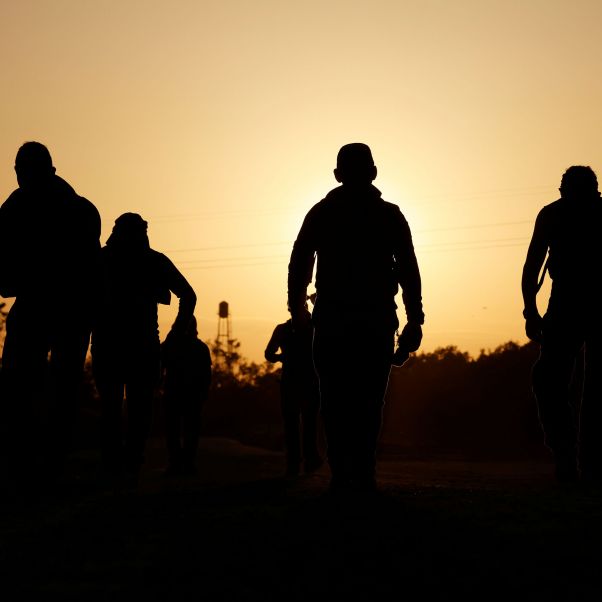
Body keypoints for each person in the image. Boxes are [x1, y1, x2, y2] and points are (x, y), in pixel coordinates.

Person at [288, 143, 424, 492]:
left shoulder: (321, 213)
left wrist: (297, 308)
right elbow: (409, 270)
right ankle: (361, 469)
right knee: (367, 399)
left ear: (337, 175)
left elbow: (300, 262)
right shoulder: (389, 214)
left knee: (335, 398)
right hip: (373, 319)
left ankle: (344, 470)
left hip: (335, 318)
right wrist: (414, 317)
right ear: (374, 172)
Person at [0, 141, 101, 485]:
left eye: (23, 169)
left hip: (61, 310)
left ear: (44, 169)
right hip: (53, 310)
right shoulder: (76, 207)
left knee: (45, 388)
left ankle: (41, 466)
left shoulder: (70, 208)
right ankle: (32, 465)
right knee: (28, 387)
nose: (19, 176)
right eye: (17, 170)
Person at [92, 213, 196, 485]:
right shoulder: (152, 261)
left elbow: (189, 295)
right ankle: (126, 467)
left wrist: (175, 334)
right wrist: (175, 334)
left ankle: (118, 467)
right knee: (134, 410)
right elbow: (189, 295)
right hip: (136, 346)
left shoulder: (102, 260)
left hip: (115, 345)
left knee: (116, 409)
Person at [522, 165, 602, 483]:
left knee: (549, 380)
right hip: (567, 304)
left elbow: (532, 267)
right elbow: (532, 267)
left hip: (568, 304)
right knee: (555, 381)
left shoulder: (553, 213)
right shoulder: (555, 214)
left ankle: (571, 456)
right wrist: (531, 311)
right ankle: (577, 458)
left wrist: (530, 311)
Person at [265, 303, 322, 477]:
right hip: (306, 382)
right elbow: (269, 354)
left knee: (296, 424)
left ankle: (297, 462)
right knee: (305, 424)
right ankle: (304, 461)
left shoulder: (284, 329)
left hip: (295, 382)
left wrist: (282, 357)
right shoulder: (313, 328)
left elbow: (269, 354)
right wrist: (282, 357)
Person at [161, 315, 212, 476]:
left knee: (175, 430)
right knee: (188, 431)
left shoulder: (170, 346)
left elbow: (159, 367)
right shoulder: (200, 347)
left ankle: (178, 464)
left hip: (177, 393)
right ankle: (185, 464)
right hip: (189, 395)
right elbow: (207, 376)